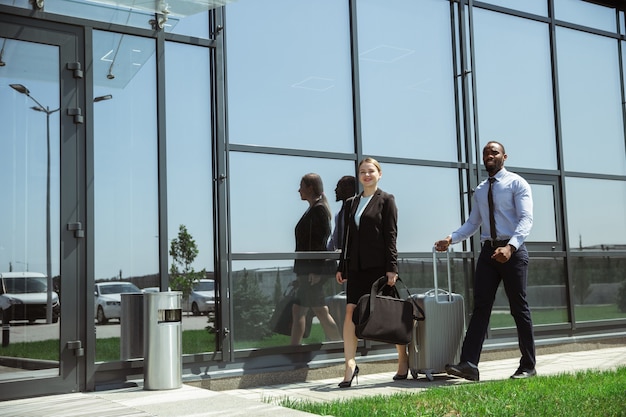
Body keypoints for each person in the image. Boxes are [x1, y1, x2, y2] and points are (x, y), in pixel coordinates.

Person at [435, 141, 536, 381]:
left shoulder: (516, 183)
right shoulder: (480, 189)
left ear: (504, 156)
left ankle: (528, 366)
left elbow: (526, 219)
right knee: (480, 307)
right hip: (488, 254)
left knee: (518, 308)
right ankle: (469, 364)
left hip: (513, 252)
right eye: (486, 153)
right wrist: (451, 238)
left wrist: (511, 247)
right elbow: (473, 223)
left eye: (494, 152)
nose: (489, 155)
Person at [336, 157, 407, 388]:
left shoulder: (387, 200)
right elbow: (346, 239)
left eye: (371, 171)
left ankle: (403, 359)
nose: (366, 175)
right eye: (363, 172)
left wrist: (392, 268)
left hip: (379, 267)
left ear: (379, 174)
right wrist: (342, 265)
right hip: (356, 267)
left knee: (391, 314)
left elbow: (391, 235)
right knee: (350, 313)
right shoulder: (351, 203)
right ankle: (349, 364)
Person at [292, 173, 342, 345]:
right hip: (306, 272)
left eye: (302, 186)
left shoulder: (318, 210)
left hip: (311, 273)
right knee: (304, 311)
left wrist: (316, 271)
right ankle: (295, 350)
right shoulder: (313, 209)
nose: (299, 190)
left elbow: (319, 243)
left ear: (310, 188)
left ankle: (339, 346)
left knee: (314, 311)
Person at [327, 175, 357, 251]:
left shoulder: (356, 213)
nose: (335, 190)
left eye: (339, 187)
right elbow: (335, 237)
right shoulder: (339, 215)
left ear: (348, 189)